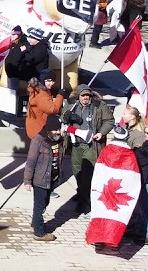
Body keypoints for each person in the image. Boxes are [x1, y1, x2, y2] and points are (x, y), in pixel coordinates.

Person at [61, 86, 114, 215]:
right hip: (76, 145)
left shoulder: (99, 105)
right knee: (77, 171)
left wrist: (101, 133)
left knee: (87, 174)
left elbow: (109, 120)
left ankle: (85, 202)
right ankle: (81, 193)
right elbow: (63, 119)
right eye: (83, 95)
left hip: (91, 145)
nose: (86, 98)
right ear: (78, 96)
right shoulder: (71, 104)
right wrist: (65, 116)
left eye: (88, 96)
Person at [23, 128, 66, 241]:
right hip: (40, 179)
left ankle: (35, 224)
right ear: (48, 130)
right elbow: (30, 161)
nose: (58, 132)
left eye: (59, 130)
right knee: (39, 206)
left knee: (45, 202)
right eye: (55, 130)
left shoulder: (59, 140)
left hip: (52, 178)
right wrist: (27, 180)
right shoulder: (38, 140)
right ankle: (39, 233)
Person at [25, 71, 64, 140]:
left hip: (37, 130)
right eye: (49, 81)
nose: (52, 83)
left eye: (53, 81)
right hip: (39, 132)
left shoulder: (39, 91)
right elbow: (52, 109)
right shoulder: (41, 94)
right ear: (43, 80)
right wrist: (60, 96)